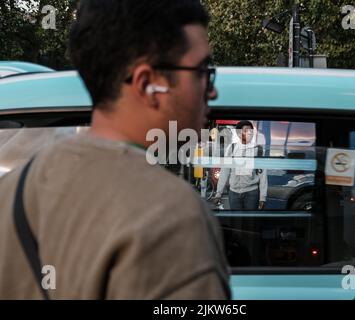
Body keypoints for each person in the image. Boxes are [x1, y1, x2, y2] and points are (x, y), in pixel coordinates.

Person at [0, 0, 230, 299]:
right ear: (148, 83)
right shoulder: (174, 215)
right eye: (202, 71)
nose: (212, 89)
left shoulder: (11, 192)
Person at [213, 121, 268, 210]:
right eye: (246, 130)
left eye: (251, 131)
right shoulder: (231, 148)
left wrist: (262, 197)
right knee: (235, 221)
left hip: (252, 193)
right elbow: (224, 172)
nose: (249, 133)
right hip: (233, 193)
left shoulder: (258, 150)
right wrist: (218, 193)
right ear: (239, 133)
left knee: (250, 222)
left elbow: (263, 175)